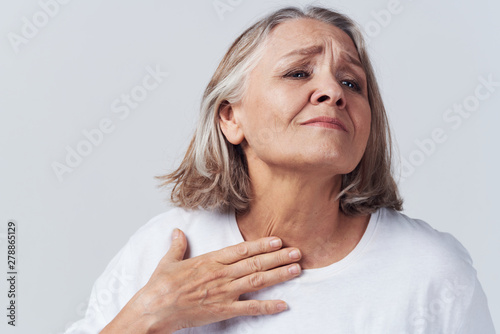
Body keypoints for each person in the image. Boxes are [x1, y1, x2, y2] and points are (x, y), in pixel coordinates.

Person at [65, 5, 495, 334]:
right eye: (297, 72)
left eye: (351, 82)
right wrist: (148, 315)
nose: (331, 91)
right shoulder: (165, 251)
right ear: (231, 118)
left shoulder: (432, 272)